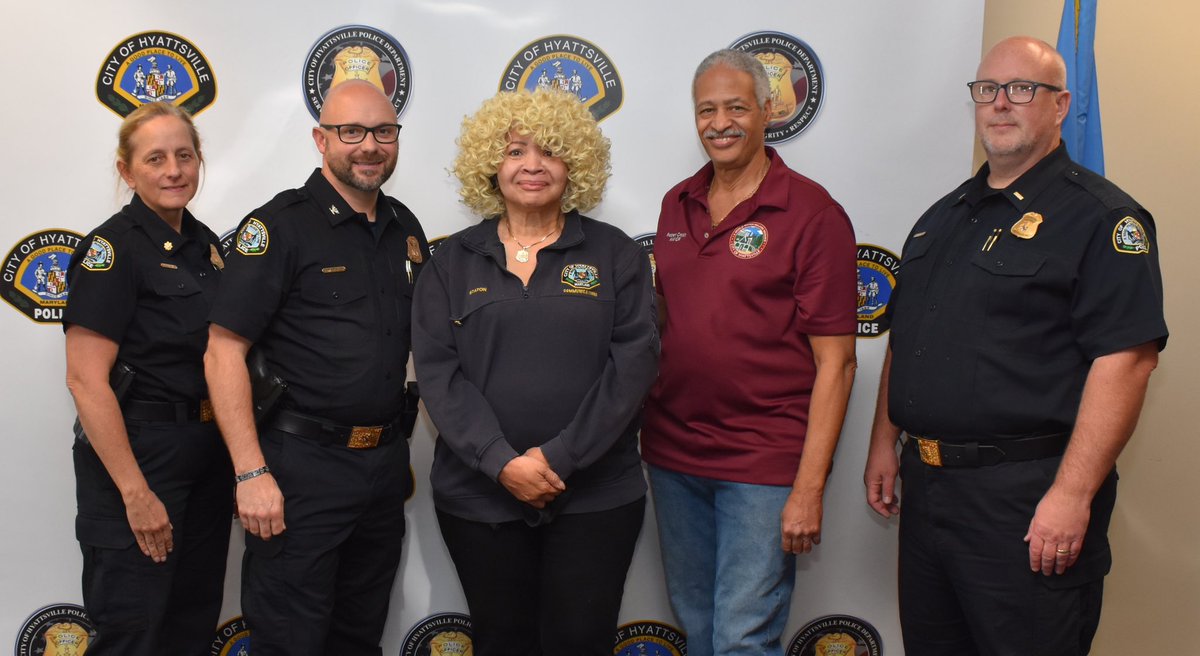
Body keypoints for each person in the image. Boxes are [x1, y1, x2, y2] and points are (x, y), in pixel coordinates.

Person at [863, 37, 1167, 655]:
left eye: (1021, 90)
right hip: (929, 492)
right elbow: (907, 339)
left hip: (1026, 498)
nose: (1000, 105)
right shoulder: (941, 218)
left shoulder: (1102, 219)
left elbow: (1127, 361)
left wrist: (1072, 494)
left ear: (1060, 106)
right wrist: (883, 442)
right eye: (986, 91)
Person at [412, 88, 659, 656]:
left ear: (575, 163)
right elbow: (438, 374)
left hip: (596, 496)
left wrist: (556, 459)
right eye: (516, 150)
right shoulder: (451, 262)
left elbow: (633, 365)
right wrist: (502, 463)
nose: (532, 165)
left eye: (550, 150)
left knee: (580, 641)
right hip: (481, 499)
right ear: (488, 164)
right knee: (502, 641)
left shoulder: (615, 254)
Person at [639, 49, 858, 656]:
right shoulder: (675, 203)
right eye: (706, 109)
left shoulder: (813, 213)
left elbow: (837, 364)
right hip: (673, 453)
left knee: (742, 637)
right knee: (699, 626)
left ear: (767, 110)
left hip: (763, 461)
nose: (720, 122)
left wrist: (808, 488)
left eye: (736, 106)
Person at [203, 80, 427, 656]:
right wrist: (251, 473)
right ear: (320, 139)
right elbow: (223, 352)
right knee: (291, 641)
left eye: (383, 132)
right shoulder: (279, 227)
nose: (369, 146)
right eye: (351, 132)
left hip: (383, 468)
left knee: (360, 635)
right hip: (299, 471)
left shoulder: (406, 228)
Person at [63, 101, 231, 655]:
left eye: (184, 155)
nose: (173, 170)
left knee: (190, 625)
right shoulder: (111, 251)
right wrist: (135, 493)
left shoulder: (208, 248)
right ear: (127, 170)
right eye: (155, 158)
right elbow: (87, 382)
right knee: (134, 633)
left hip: (206, 457)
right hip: (139, 458)